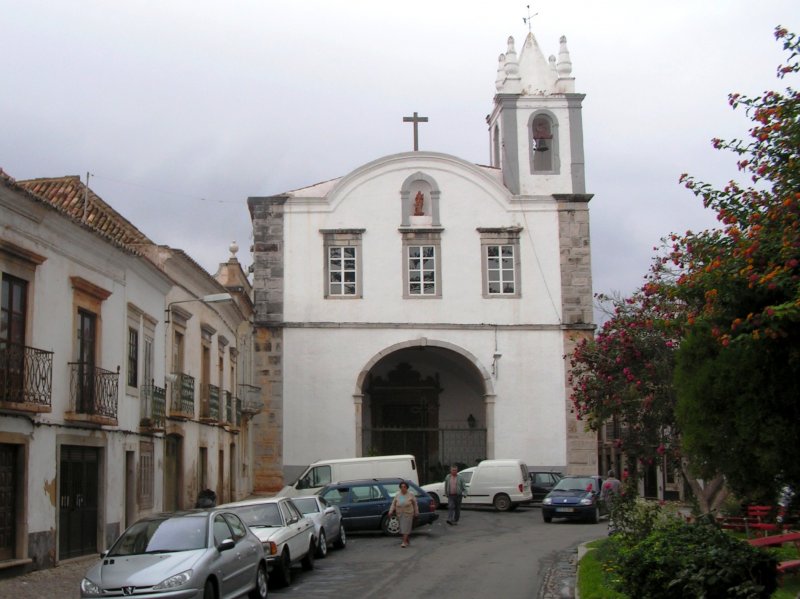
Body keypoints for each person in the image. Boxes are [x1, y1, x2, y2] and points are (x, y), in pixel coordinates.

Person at [388, 480, 419, 548]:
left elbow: (415, 504)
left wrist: (416, 512)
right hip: (400, 513)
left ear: (407, 488)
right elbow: (393, 503)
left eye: (404, 487)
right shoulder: (398, 494)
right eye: (401, 487)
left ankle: (404, 542)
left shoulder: (411, 494)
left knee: (406, 528)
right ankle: (407, 540)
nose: (403, 488)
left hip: (408, 513)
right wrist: (390, 511)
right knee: (402, 528)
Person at [600, 469, 622, 534]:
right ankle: (613, 529)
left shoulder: (604, 482)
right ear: (614, 475)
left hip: (607, 501)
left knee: (611, 515)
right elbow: (621, 491)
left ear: (608, 475)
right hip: (616, 500)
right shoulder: (618, 482)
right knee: (614, 515)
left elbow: (602, 493)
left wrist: (602, 500)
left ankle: (613, 529)